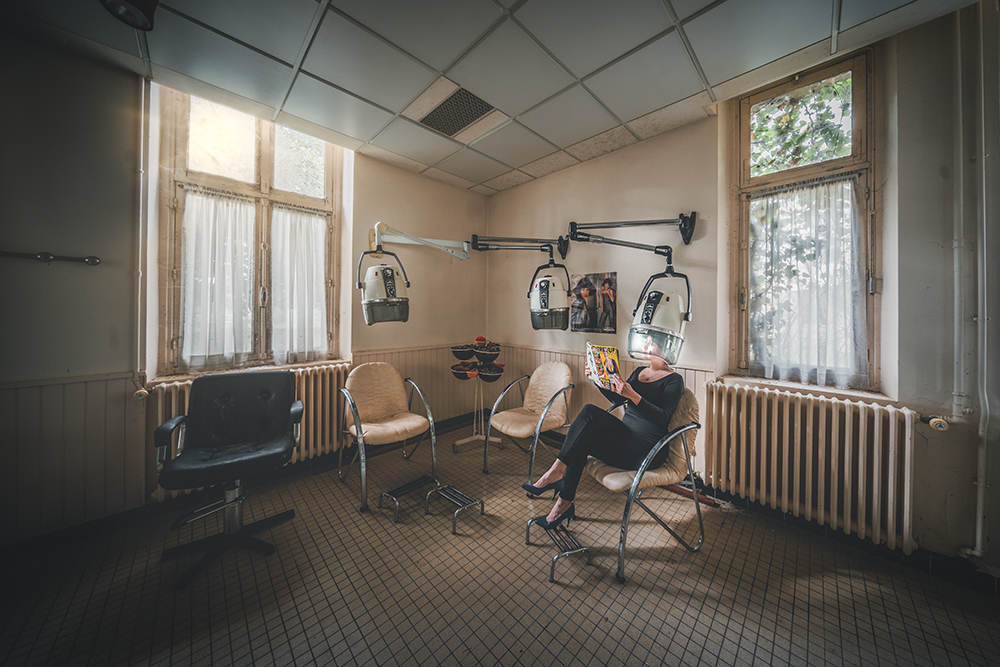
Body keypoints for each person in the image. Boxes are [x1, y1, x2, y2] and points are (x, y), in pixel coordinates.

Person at [522, 336, 684, 528]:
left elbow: (662, 417)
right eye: (645, 341)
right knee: (585, 426)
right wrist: (598, 380)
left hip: (647, 448)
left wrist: (633, 395)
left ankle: (557, 478)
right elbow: (618, 400)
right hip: (626, 435)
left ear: (664, 347)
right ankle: (562, 503)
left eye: (651, 342)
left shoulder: (675, 380)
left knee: (585, 428)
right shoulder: (640, 371)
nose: (645, 345)